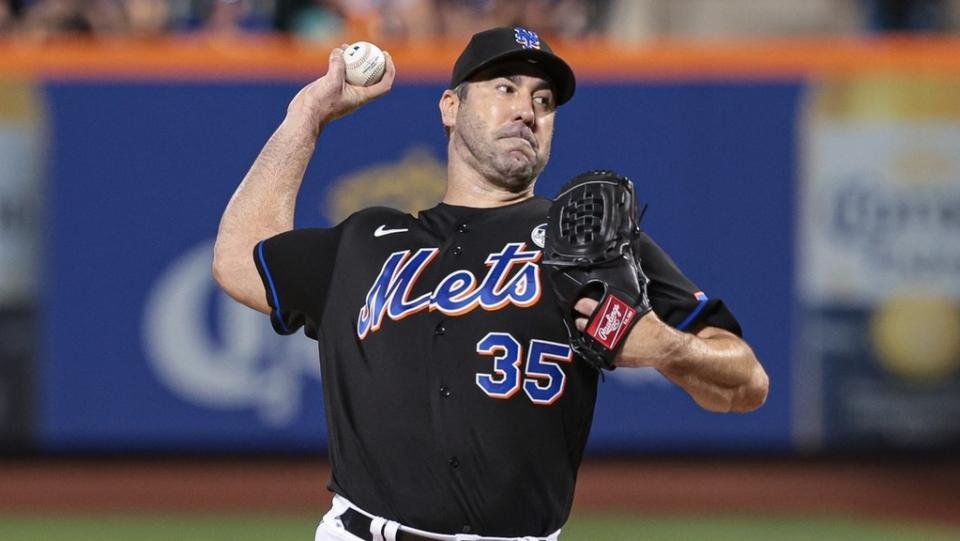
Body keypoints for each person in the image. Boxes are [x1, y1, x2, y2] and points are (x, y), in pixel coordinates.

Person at [212, 26, 769, 541]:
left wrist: (670, 347)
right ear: (451, 107)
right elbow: (238, 261)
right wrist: (305, 117)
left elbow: (746, 381)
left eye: (544, 101)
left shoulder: (585, 239)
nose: (527, 110)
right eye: (505, 87)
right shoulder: (367, 240)